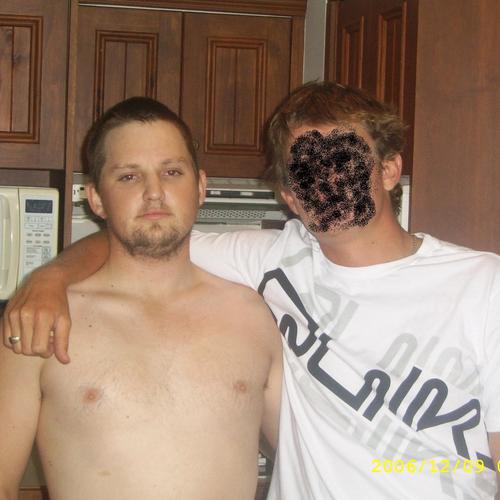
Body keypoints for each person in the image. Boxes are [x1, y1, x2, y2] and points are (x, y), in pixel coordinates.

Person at [3, 81, 500, 500]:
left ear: (389, 170)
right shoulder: (272, 265)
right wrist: (48, 279)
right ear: (289, 196)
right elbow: (146, 234)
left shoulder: (482, 285)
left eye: (343, 159)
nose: (327, 180)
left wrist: (46, 278)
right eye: (307, 169)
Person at [0, 97, 283, 500]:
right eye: (129, 177)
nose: (154, 193)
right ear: (96, 198)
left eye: (172, 172)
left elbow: (311, 456)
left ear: (200, 186)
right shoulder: (42, 322)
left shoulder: (253, 317)